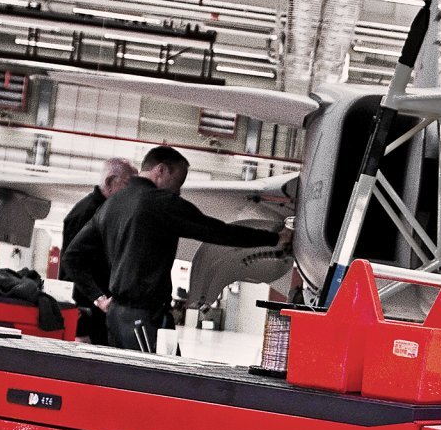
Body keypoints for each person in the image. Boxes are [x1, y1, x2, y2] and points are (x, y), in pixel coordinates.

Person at [63, 146, 291, 352]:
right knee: (158, 381)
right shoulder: (161, 203)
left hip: (115, 318)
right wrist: (274, 238)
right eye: (178, 183)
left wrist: (99, 297)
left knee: (128, 379)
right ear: (161, 170)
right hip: (145, 319)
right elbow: (219, 232)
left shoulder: (110, 205)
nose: (178, 192)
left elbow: (72, 256)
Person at [59, 159, 137, 344]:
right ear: (110, 182)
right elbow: (72, 266)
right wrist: (81, 326)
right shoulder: (86, 213)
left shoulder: (106, 212)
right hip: (87, 314)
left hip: (100, 312)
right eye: (128, 185)